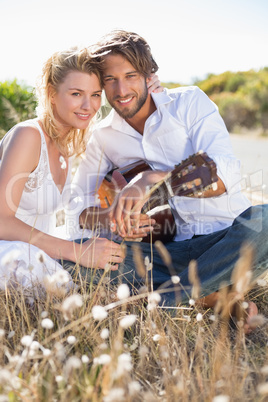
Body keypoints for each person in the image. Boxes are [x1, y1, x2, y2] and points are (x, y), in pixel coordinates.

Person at [71, 30, 268, 319]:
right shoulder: (102, 137)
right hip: (165, 255)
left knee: (263, 222)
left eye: (131, 76)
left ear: (149, 74)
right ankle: (210, 296)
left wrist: (154, 182)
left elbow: (225, 173)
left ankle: (162, 301)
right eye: (110, 80)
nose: (122, 91)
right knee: (72, 255)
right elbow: (76, 202)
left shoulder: (189, 102)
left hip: (225, 244)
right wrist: (113, 216)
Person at [0, 46, 162, 294]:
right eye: (76, 94)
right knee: (87, 292)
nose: (88, 105)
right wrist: (76, 251)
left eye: (96, 95)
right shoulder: (28, 136)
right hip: (12, 252)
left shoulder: (67, 147)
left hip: (43, 252)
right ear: (52, 94)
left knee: (124, 270)